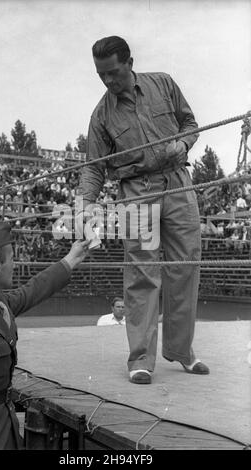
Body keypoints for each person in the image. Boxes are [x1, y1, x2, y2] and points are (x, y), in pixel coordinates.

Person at [77, 36, 209, 384]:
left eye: (113, 73)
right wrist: (86, 204)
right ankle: (140, 359)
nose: (108, 81)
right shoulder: (101, 114)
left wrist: (183, 143)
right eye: (101, 75)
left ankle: (182, 351)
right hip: (135, 191)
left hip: (179, 183)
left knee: (186, 266)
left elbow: (190, 124)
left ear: (130, 62)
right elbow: (93, 166)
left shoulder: (163, 83)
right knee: (141, 274)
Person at [0, 221, 90, 450]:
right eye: (12, 258)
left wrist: (71, 259)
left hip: (3, 431)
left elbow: (32, 291)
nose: (16, 263)